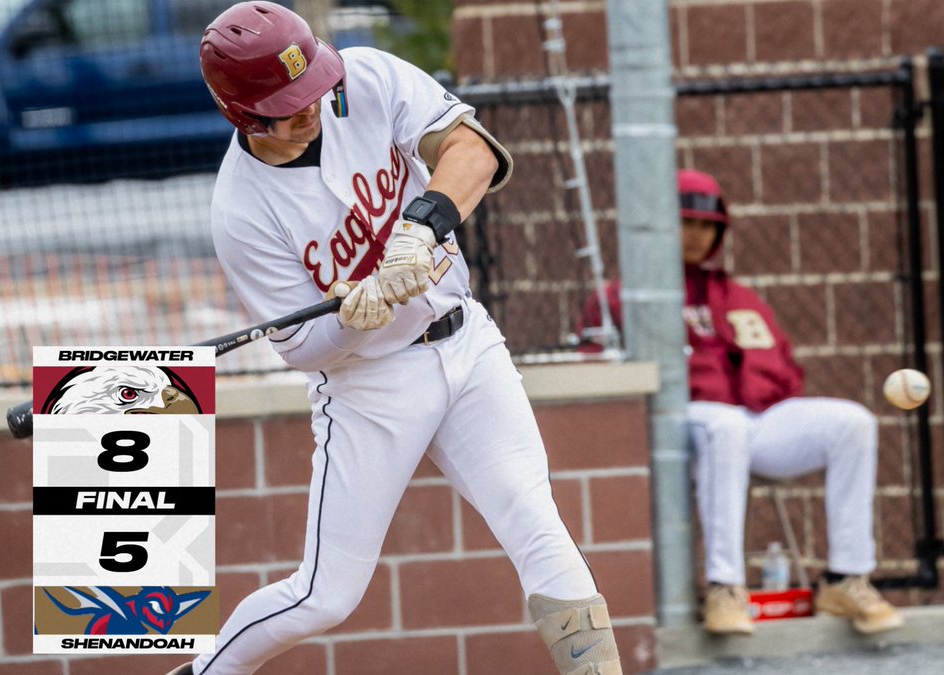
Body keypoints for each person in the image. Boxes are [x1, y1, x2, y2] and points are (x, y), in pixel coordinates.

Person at [168, 4, 623, 674]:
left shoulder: (366, 78)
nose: (314, 110)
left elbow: (471, 150)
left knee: (535, 519)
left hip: (468, 345)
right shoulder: (241, 210)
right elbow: (301, 348)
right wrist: (358, 312)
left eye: (314, 92)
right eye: (290, 108)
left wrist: (421, 226)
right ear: (243, 115)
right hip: (370, 386)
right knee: (325, 596)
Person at [582, 169, 903, 636]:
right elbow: (599, 366)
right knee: (725, 427)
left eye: (707, 226)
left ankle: (845, 579)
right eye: (686, 222)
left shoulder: (737, 296)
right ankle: (725, 587)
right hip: (681, 422)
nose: (697, 235)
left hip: (755, 418)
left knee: (852, 422)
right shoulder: (622, 295)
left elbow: (785, 370)